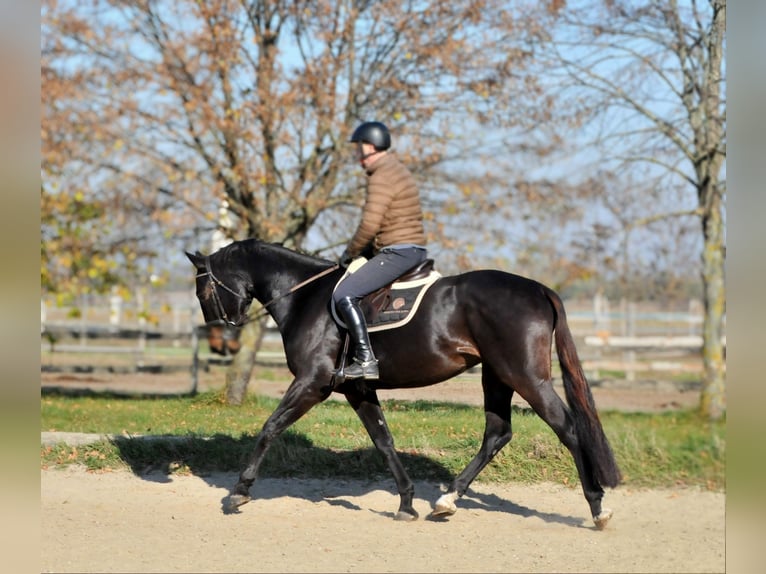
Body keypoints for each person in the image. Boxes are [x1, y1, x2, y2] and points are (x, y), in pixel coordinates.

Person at [333, 121, 428, 380]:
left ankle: (365, 359)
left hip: (397, 251)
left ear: (370, 146)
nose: (356, 154)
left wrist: (350, 252)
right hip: (410, 248)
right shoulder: (394, 169)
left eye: (358, 147)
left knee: (345, 292)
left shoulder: (382, 174)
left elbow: (370, 224)